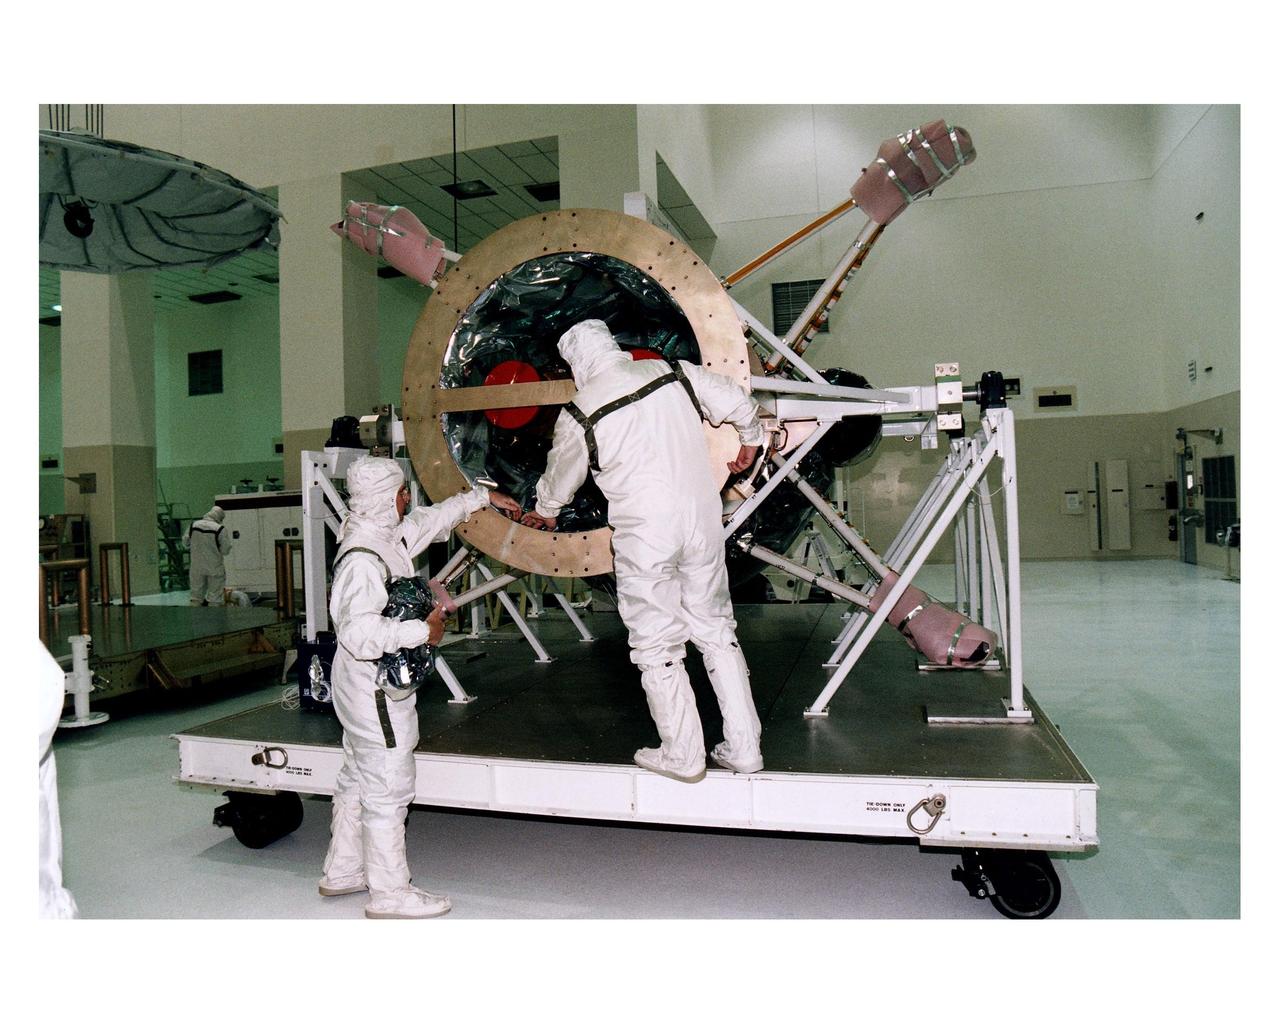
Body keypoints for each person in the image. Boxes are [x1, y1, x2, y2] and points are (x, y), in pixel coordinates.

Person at [521, 319, 767, 783]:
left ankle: (682, 754)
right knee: (716, 630)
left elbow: (559, 480)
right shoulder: (673, 372)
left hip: (646, 533)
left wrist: (546, 510)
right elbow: (738, 402)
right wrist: (751, 441)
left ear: (577, 364)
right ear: (613, 346)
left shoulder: (580, 411)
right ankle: (745, 747)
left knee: (657, 643)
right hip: (702, 522)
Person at [319, 456, 520, 919]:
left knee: (357, 777)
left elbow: (429, 522)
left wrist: (479, 499)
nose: (409, 499)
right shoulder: (363, 560)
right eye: (402, 493)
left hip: (360, 684)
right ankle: (390, 893)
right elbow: (358, 634)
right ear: (384, 498)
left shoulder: (382, 537)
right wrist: (421, 631)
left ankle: (343, 870)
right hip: (374, 688)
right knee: (389, 783)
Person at [184, 505, 232, 606]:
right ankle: (213, 620)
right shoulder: (220, 529)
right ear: (219, 517)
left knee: (195, 597)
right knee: (215, 598)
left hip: (196, 567)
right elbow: (225, 550)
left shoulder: (194, 525)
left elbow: (185, 542)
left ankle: (195, 620)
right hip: (214, 567)